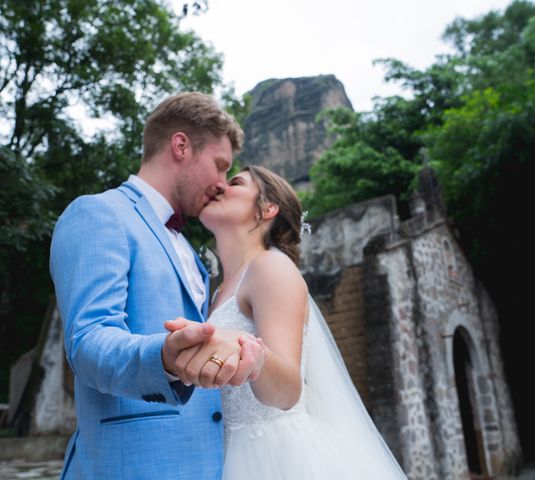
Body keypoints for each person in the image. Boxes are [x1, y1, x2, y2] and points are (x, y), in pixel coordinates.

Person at [50, 92, 266, 479]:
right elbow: (88, 342)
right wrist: (165, 357)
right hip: (130, 466)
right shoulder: (98, 213)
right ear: (181, 146)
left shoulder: (189, 249)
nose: (221, 184)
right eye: (219, 166)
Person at [166, 165, 408, 479]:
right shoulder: (216, 291)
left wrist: (252, 356)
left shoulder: (270, 267)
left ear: (268, 208)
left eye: (236, 182)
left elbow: (288, 389)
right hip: (219, 454)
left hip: (273, 458)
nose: (219, 187)